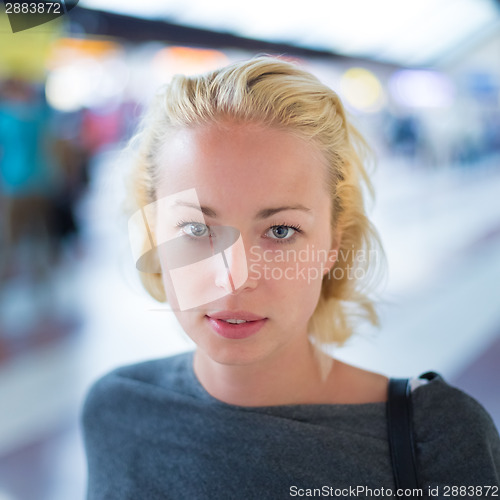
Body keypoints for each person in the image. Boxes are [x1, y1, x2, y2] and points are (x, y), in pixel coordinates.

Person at [82, 56, 500, 499]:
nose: (234, 279)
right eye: (196, 230)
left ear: (332, 246)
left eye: (281, 231)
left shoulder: (435, 441)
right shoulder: (115, 410)